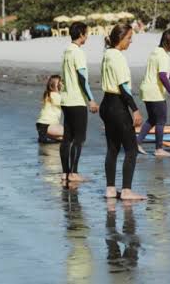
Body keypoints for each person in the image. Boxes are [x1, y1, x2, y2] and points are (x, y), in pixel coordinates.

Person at [100, 23, 145, 200]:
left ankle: (110, 189)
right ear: (120, 39)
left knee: (112, 148)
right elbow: (123, 87)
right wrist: (135, 109)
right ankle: (126, 190)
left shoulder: (107, 54)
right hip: (118, 105)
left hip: (106, 104)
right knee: (131, 149)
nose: (131, 41)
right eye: (128, 38)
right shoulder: (118, 57)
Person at [136, 29, 170, 157]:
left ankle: (137, 142)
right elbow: (163, 76)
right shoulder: (164, 56)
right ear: (169, 42)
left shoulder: (155, 52)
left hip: (146, 89)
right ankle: (159, 149)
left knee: (153, 119)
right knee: (161, 120)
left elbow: (162, 73)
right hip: (155, 92)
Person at [60, 22, 99, 184]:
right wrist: (91, 100)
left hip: (66, 100)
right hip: (77, 101)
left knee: (67, 138)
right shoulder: (78, 53)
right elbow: (82, 79)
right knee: (79, 138)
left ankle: (65, 173)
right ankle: (74, 173)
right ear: (81, 34)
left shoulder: (66, 52)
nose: (87, 36)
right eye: (86, 33)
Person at [36, 75, 64, 143]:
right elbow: (66, 102)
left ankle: (44, 137)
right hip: (48, 125)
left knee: (63, 139)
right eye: (61, 83)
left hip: (41, 125)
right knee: (71, 132)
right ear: (55, 86)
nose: (62, 84)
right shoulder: (55, 95)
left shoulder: (48, 94)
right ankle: (45, 137)